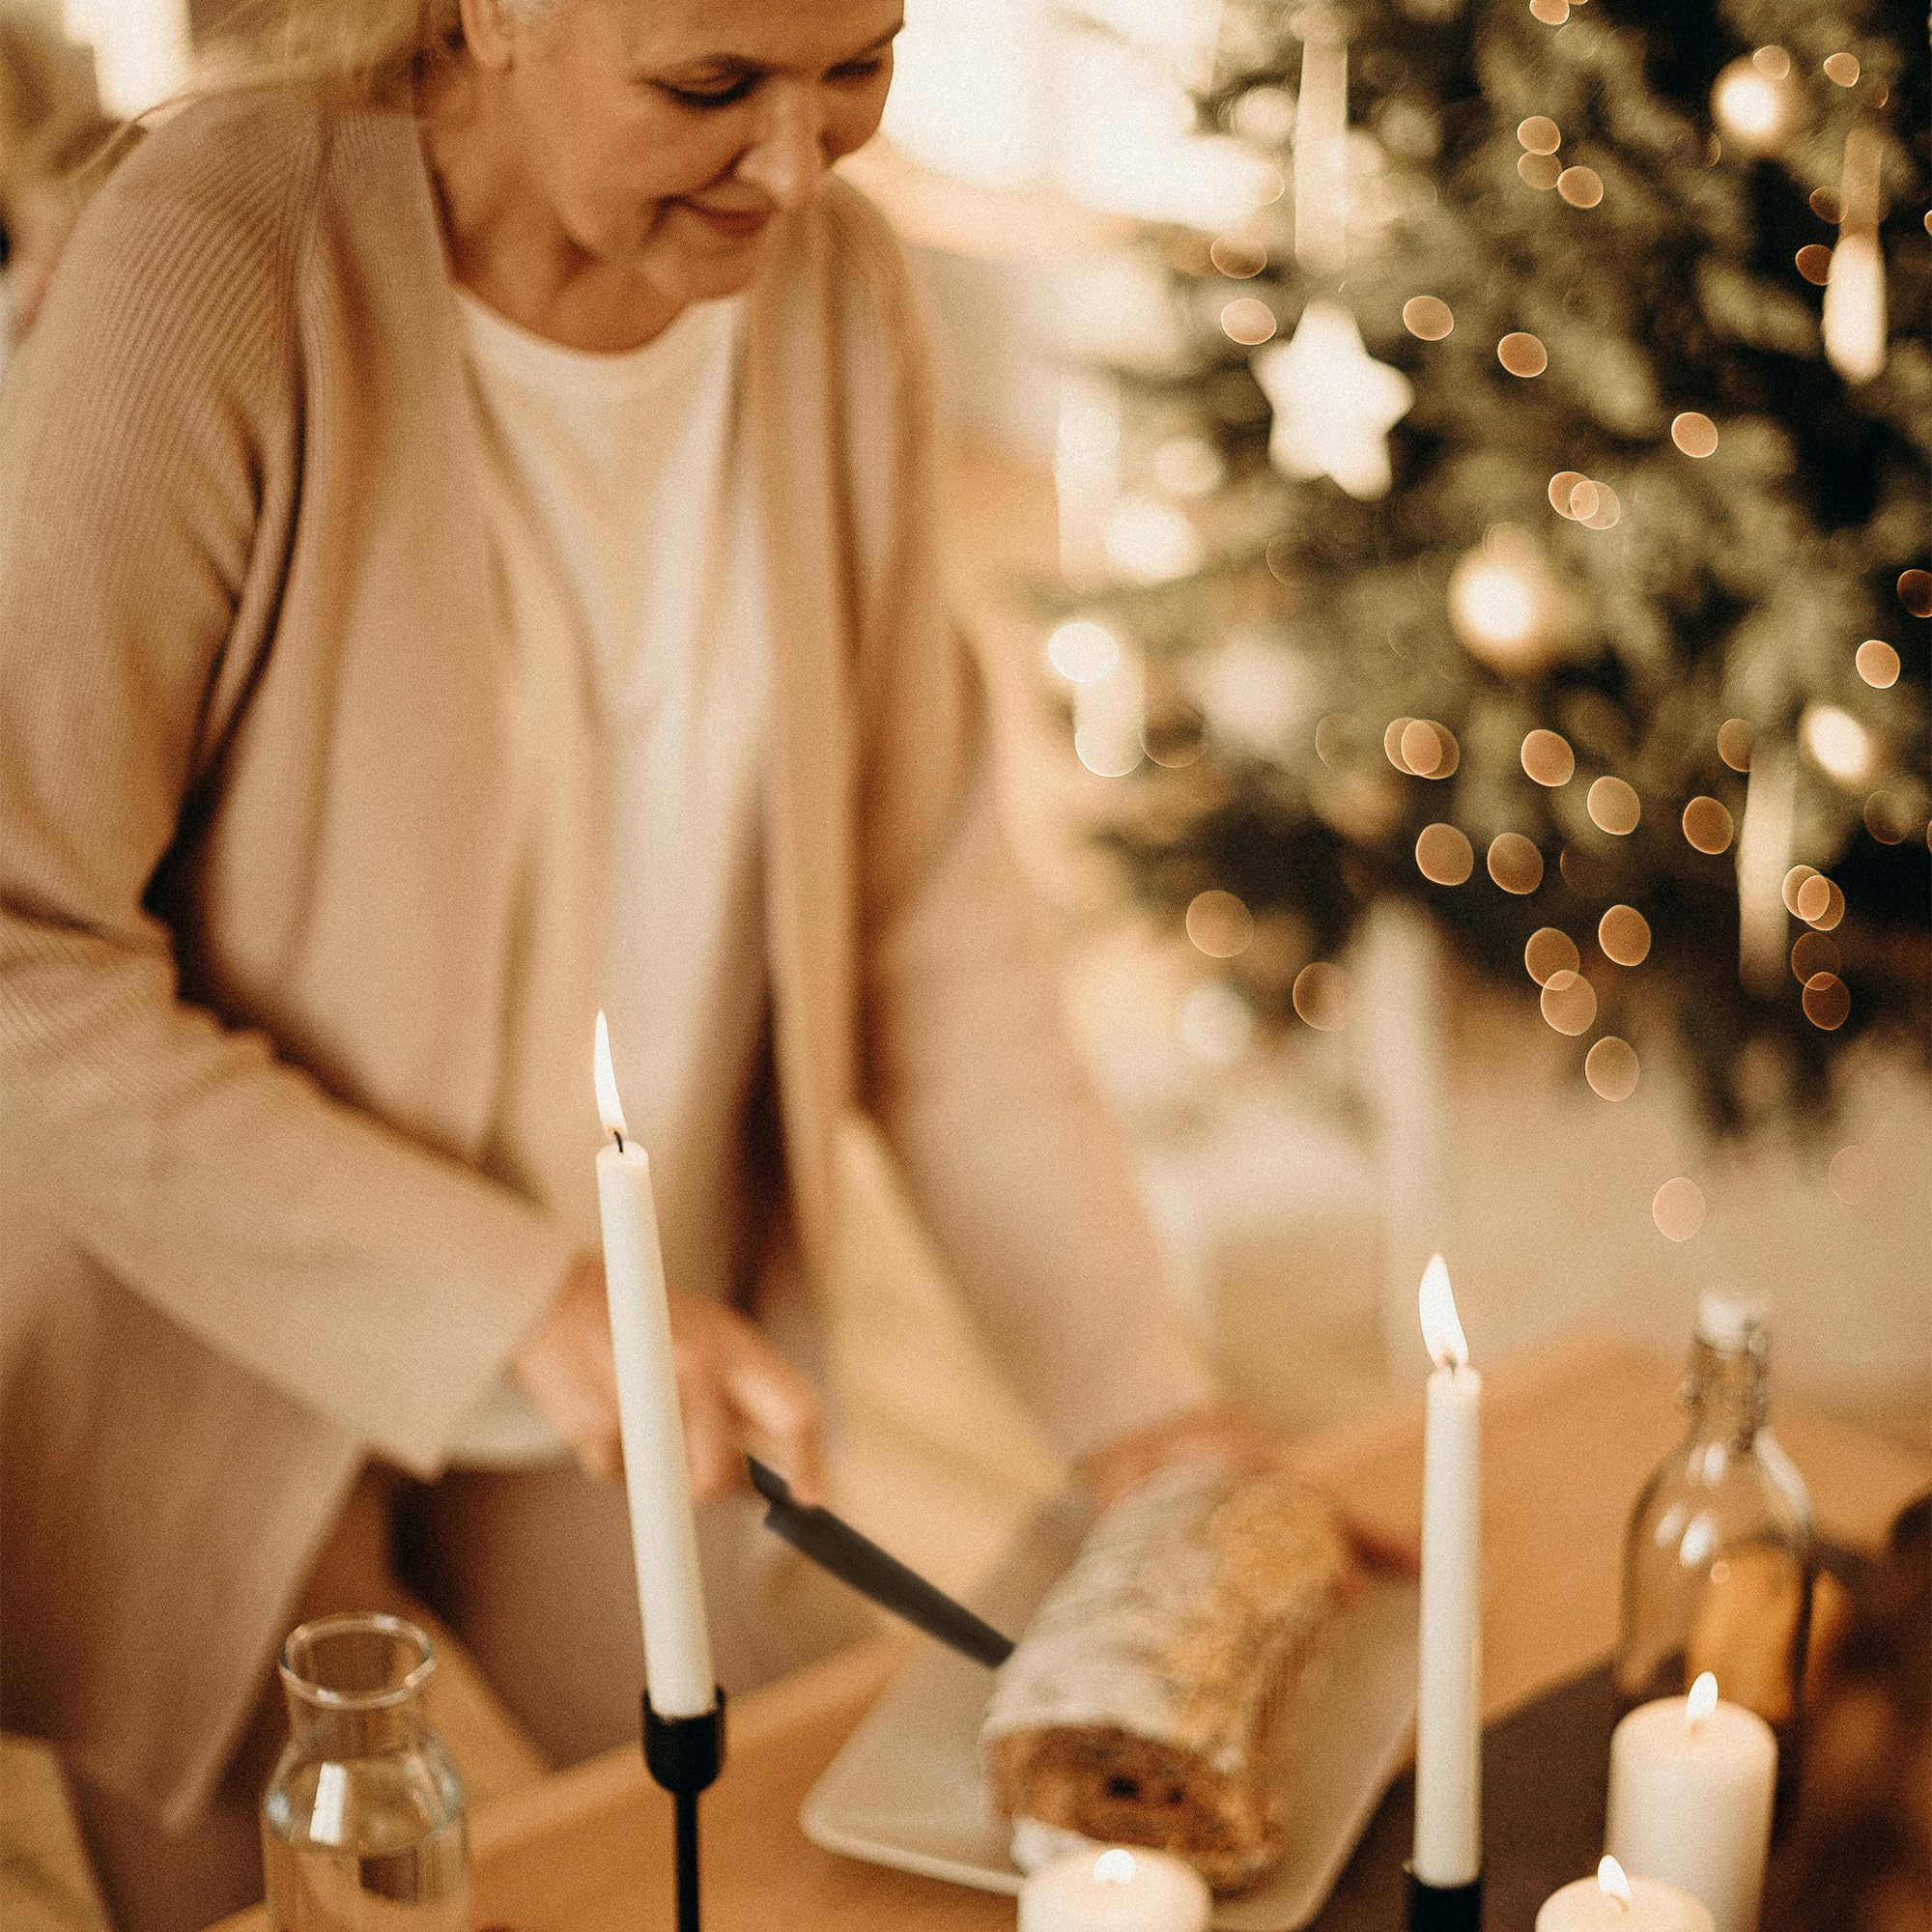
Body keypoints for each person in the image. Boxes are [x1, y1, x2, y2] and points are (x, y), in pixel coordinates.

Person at [0, 2, 1323, 1923]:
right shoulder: (209, 259)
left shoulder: (834, 296)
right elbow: (25, 954)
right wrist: (510, 1292)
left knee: (792, 1872)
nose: (795, 166)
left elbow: (928, 922)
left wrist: (1141, 1409)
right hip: (213, 1339)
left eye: (856, 64)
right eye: (709, 86)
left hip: (651, 1358)